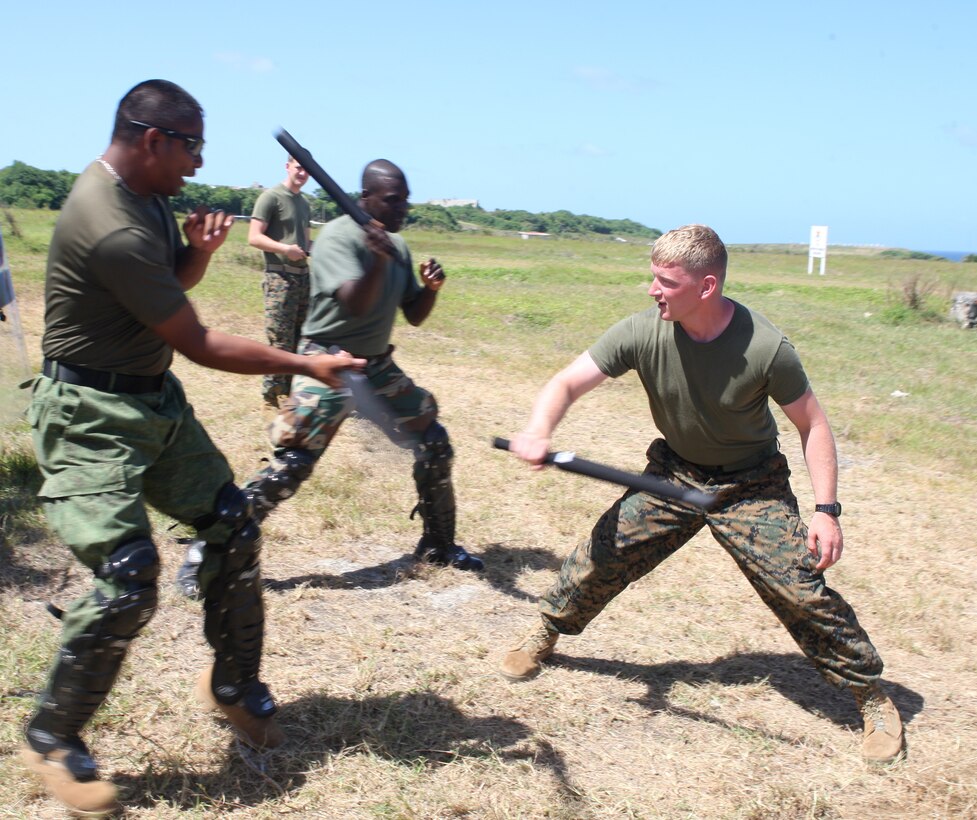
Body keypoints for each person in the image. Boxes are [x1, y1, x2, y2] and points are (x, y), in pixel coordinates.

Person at [20, 79, 363, 816]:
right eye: (192, 147)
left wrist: (196, 257)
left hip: (151, 400)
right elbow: (200, 342)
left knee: (233, 526)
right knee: (127, 575)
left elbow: (161, 297)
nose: (199, 166)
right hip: (88, 414)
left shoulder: (145, 195)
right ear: (152, 139)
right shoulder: (106, 218)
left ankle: (232, 685)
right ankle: (52, 735)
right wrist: (307, 364)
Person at [499, 224, 904, 764]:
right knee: (605, 551)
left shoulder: (765, 348)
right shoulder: (642, 331)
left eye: (665, 281)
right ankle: (546, 632)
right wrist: (539, 431)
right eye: (653, 277)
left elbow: (815, 427)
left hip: (749, 485)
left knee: (801, 590)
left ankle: (870, 696)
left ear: (706, 286)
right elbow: (567, 382)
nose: (652, 290)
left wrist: (826, 512)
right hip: (674, 476)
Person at [175, 159, 483, 594]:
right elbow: (353, 303)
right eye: (393, 201)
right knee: (293, 465)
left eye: (405, 201)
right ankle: (205, 554)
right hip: (328, 361)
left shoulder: (395, 244)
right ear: (366, 198)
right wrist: (376, 259)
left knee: (434, 441)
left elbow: (412, 315)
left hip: (376, 365)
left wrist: (429, 290)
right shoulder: (339, 237)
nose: (403, 209)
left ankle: (437, 543)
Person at [249, 155, 312, 407]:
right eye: (298, 167)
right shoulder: (270, 198)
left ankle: (293, 395)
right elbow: (254, 237)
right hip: (279, 277)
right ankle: (272, 397)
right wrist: (286, 250)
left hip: (303, 278)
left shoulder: (305, 203)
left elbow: (306, 244)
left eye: (307, 170)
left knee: (301, 340)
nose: (302, 173)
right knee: (280, 341)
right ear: (287, 166)